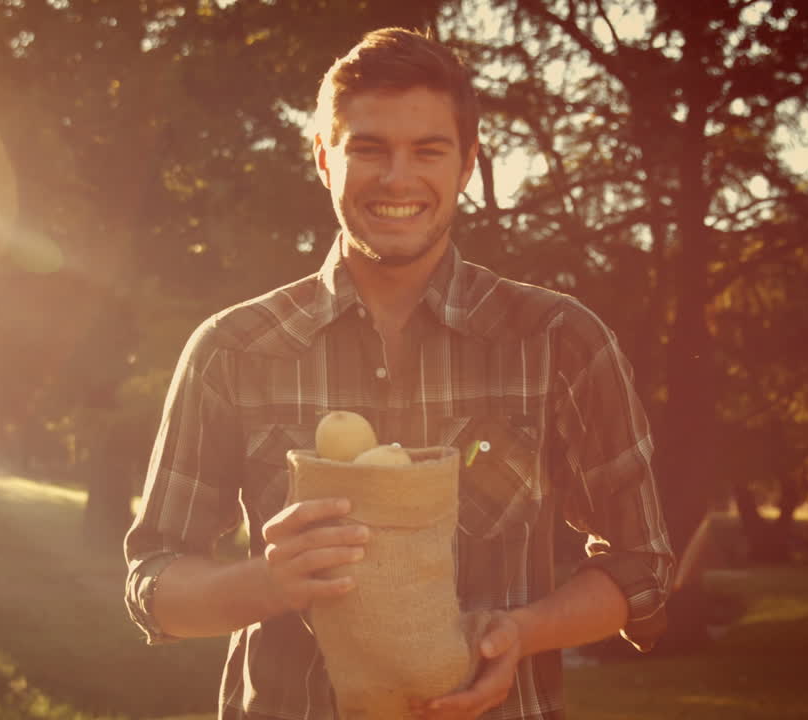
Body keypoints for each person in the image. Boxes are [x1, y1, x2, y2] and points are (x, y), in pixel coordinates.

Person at [125, 27, 675, 720]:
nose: (397, 178)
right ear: (324, 158)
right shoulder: (231, 351)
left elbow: (642, 565)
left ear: (467, 164)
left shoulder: (561, 341)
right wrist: (273, 583)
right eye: (368, 148)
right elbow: (154, 582)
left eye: (428, 151)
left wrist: (520, 633)